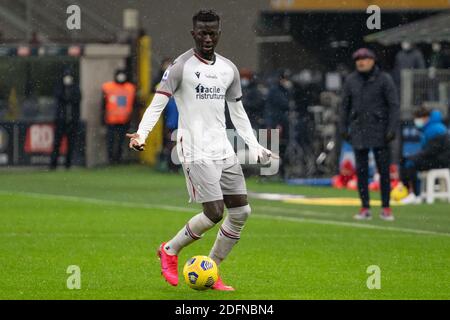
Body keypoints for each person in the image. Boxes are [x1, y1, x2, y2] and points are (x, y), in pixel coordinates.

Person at [126, 10, 273, 291]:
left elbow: (237, 111)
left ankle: (211, 268)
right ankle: (170, 249)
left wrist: (254, 146)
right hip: (195, 150)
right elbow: (158, 102)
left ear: (219, 34)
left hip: (223, 148)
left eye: (212, 33)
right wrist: (142, 134)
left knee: (241, 212)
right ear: (193, 34)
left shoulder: (228, 69)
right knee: (215, 212)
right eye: (202, 33)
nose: (207, 38)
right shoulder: (180, 67)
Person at [340, 48, 400, 221]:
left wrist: (391, 129)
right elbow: (344, 106)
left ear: (373, 60)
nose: (361, 62)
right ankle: (365, 207)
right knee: (361, 172)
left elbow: (394, 106)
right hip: (359, 130)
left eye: (365, 59)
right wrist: (343, 128)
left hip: (380, 132)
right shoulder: (351, 80)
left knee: (383, 172)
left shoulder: (384, 79)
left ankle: (386, 208)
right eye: (358, 59)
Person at [401, 107, 450, 204]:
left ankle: (416, 195)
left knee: (411, 164)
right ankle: (412, 192)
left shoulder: (435, 129)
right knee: (409, 161)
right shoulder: (430, 128)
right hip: (439, 159)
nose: (416, 121)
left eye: (418, 118)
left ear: (425, 118)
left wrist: (413, 157)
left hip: (442, 161)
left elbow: (431, 151)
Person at [102, 69, 136, 164]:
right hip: (111, 120)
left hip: (124, 120)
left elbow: (133, 103)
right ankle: (111, 159)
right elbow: (103, 104)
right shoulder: (109, 87)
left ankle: (118, 159)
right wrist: (103, 119)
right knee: (111, 141)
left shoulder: (130, 88)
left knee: (121, 142)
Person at [50, 68, 81, 170]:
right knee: (56, 144)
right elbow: (59, 96)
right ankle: (53, 165)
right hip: (60, 121)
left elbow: (77, 98)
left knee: (71, 144)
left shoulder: (75, 88)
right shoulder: (59, 87)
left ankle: (68, 165)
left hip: (72, 122)